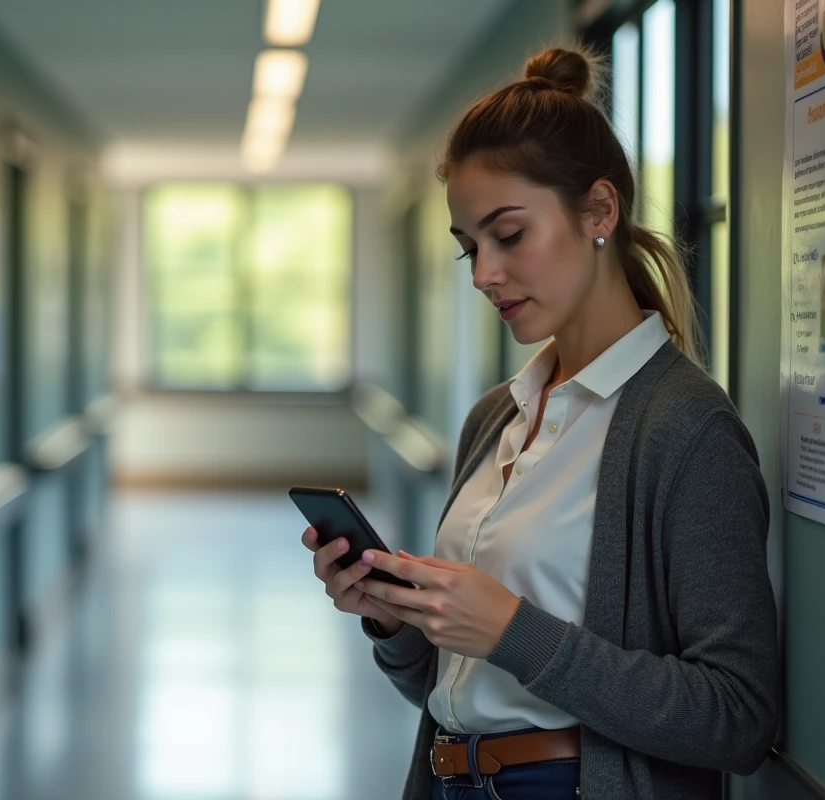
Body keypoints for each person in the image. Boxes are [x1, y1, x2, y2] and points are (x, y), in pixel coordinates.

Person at [302, 46, 779, 800]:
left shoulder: (687, 430)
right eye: (469, 249)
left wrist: (511, 629)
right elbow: (454, 689)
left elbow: (737, 716)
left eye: (509, 235)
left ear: (599, 211)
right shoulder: (495, 416)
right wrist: (395, 622)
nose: (485, 273)